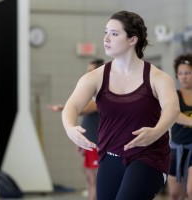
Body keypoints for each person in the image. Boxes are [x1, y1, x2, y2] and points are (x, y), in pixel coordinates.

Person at [62, 10, 180, 200]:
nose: (106, 38)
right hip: (110, 156)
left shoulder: (157, 77)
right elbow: (71, 107)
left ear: (132, 39)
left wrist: (157, 131)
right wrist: (69, 128)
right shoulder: (96, 77)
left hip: (149, 156)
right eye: (105, 32)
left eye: (114, 34)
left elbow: (172, 109)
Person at [48, 58, 104, 200]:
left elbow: (82, 110)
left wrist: (64, 108)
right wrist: (80, 143)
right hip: (89, 144)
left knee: (95, 181)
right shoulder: (91, 95)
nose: (88, 74)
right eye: (87, 71)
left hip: (96, 145)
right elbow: (85, 117)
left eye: (91, 71)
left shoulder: (100, 97)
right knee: (90, 180)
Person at [168, 54, 192, 200]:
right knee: (175, 194)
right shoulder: (174, 95)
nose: (184, 77)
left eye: (188, 73)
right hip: (176, 149)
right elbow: (174, 115)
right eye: (181, 73)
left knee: (191, 191)